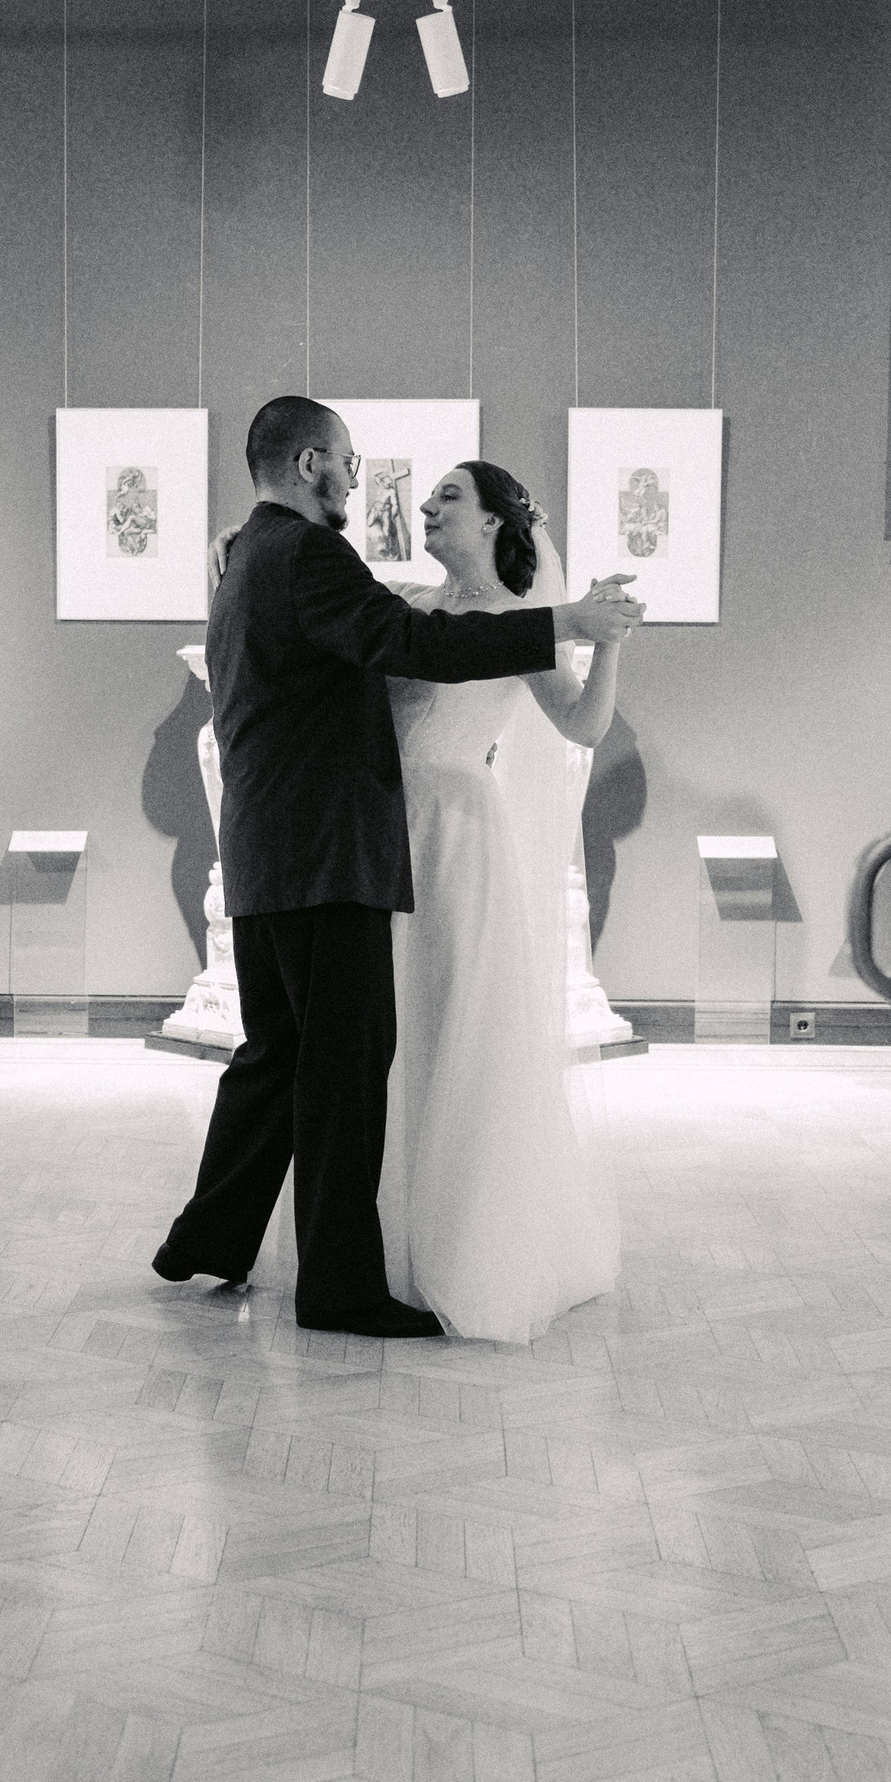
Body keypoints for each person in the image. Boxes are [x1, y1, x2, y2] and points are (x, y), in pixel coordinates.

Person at [152, 396, 643, 1339]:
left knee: (282, 1055)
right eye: (347, 460)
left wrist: (582, 632)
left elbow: (563, 711)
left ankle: (207, 1238)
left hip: (317, 845)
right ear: (309, 464)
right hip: (336, 851)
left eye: (447, 496)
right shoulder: (315, 560)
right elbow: (416, 644)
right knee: (338, 1066)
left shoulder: (259, 554)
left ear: (495, 523)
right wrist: (565, 619)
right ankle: (338, 1288)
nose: (373, 484)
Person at [371, 458, 625, 1342]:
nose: (428, 505)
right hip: (383, 826)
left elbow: (582, 725)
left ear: (490, 522)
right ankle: (382, 1240)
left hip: (455, 833)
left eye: (449, 496)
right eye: (430, 495)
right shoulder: (405, 601)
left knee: (454, 1023)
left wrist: (610, 645)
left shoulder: (523, 623)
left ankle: (466, 1246)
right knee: (389, 1027)